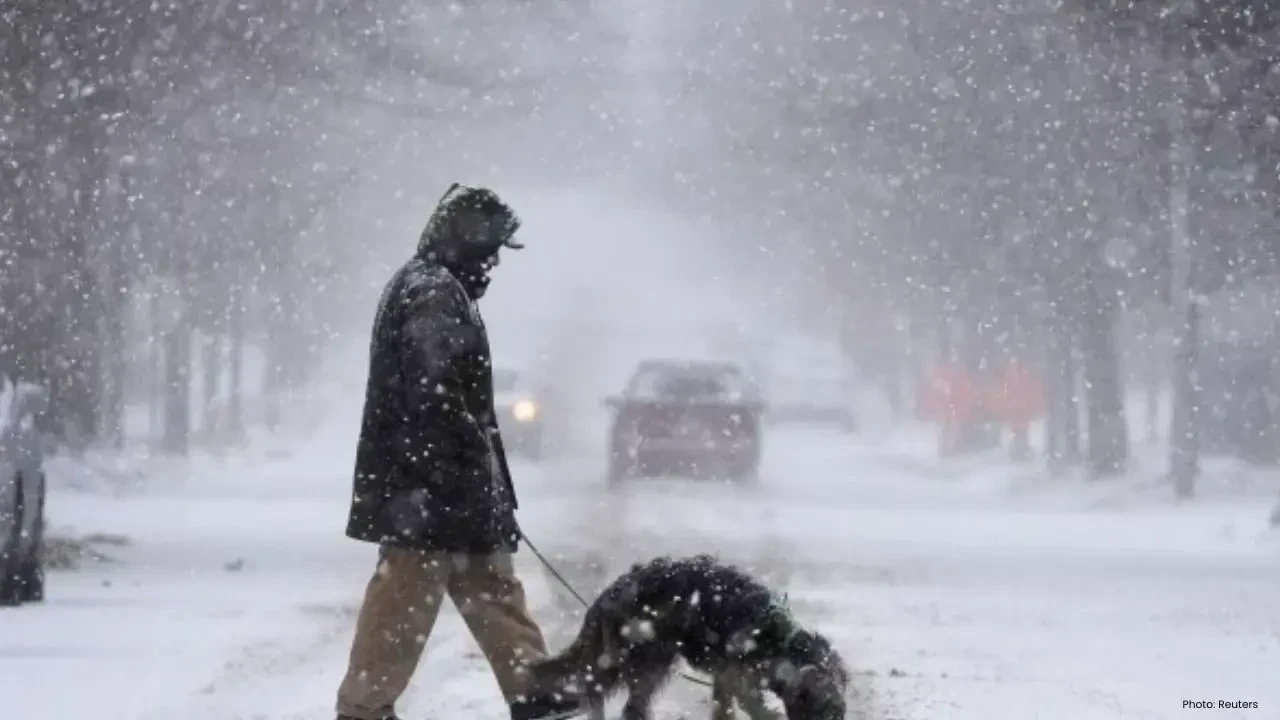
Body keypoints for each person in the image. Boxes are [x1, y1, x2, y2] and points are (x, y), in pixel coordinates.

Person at [336, 184, 579, 720]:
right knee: (401, 604)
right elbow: (435, 392)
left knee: (494, 591)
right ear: (460, 240)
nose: (492, 262)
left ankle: (537, 694)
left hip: (448, 493)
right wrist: (463, 470)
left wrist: (483, 485)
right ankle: (363, 709)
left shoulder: (437, 286)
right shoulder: (431, 292)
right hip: (427, 495)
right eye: (487, 248)